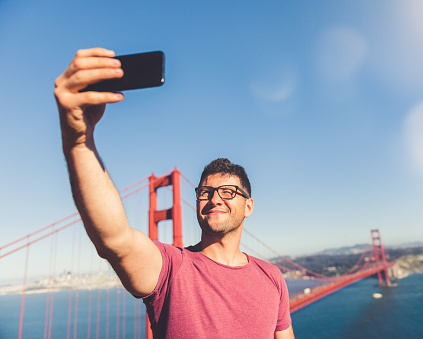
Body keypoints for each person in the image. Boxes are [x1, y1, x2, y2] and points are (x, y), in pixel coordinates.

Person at [54, 48, 294, 339]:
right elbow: (114, 240)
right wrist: (79, 142)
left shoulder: (272, 278)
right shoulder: (171, 268)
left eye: (228, 192)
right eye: (206, 192)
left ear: (249, 206)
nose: (215, 199)